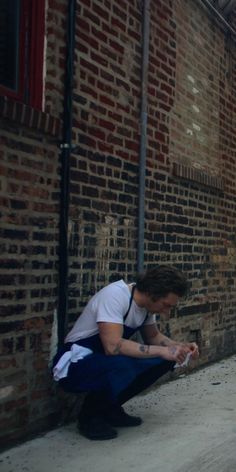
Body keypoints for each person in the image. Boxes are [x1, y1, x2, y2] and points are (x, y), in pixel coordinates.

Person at [53, 265, 199, 440]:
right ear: (153, 292)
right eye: (166, 305)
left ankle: (110, 407)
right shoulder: (115, 296)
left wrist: (179, 347)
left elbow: (153, 336)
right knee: (123, 364)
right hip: (75, 364)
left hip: (105, 360)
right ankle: (89, 417)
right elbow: (112, 346)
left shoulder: (147, 306)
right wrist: (162, 350)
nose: (166, 312)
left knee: (167, 360)